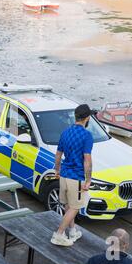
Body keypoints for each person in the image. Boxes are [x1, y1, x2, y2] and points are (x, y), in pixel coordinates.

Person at [51, 104, 94, 247]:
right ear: (87, 118)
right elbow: (87, 159)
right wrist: (88, 179)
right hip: (76, 176)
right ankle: (59, 234)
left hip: (64, 174)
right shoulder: (87, 135)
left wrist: (57, 170)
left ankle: (72, 231)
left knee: (68, 205)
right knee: (75, 207)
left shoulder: (65, 132)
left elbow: (58, 155)